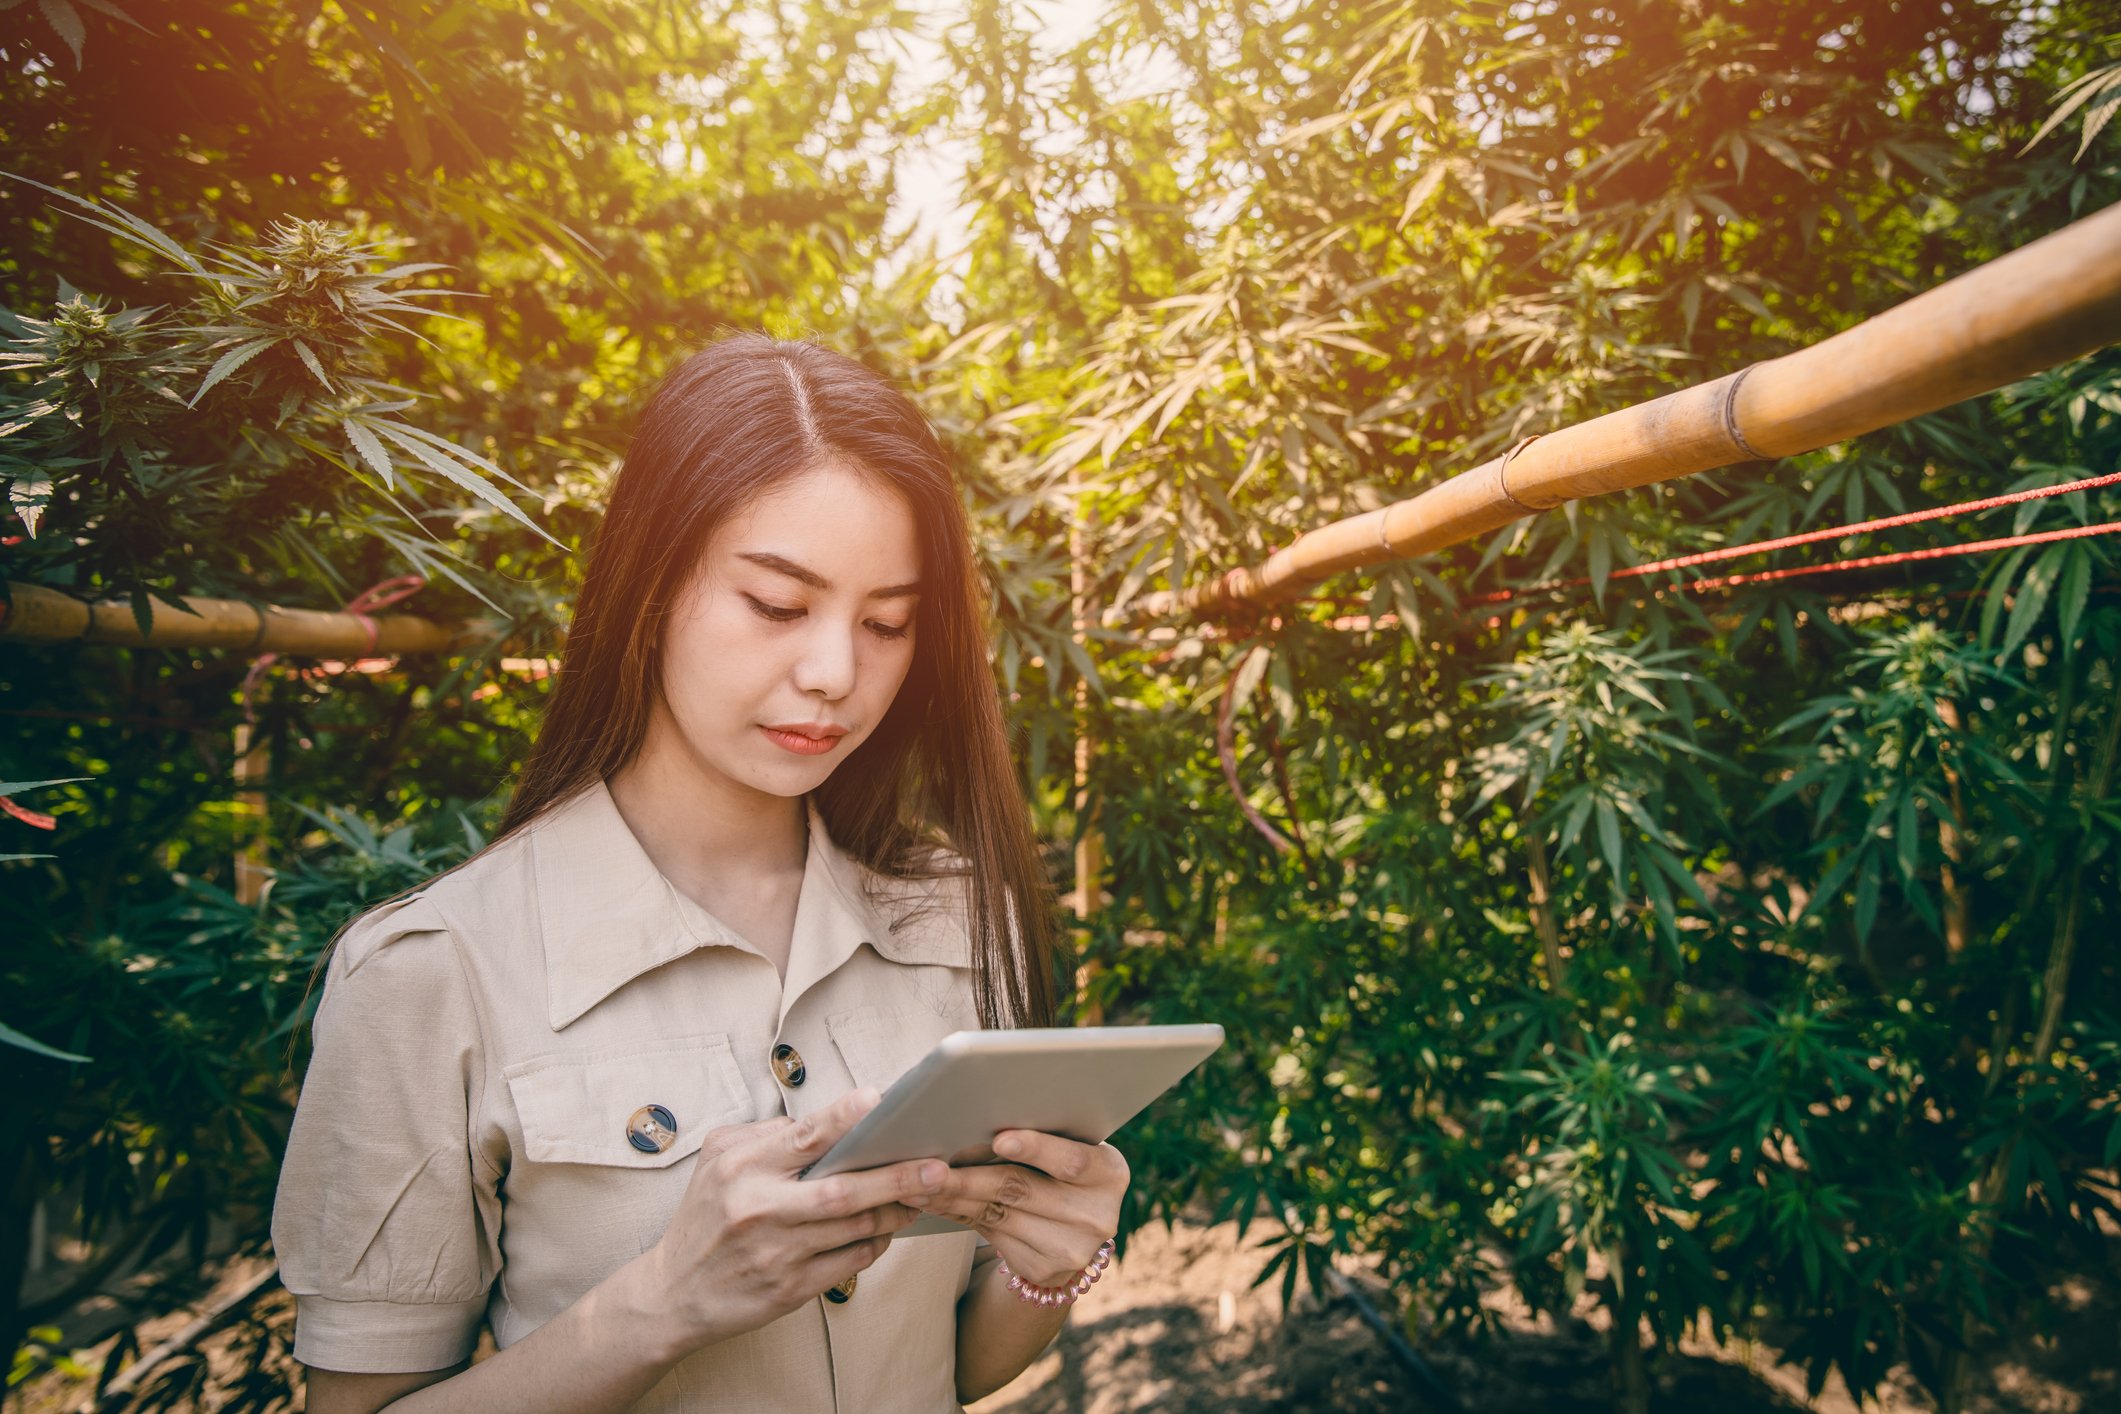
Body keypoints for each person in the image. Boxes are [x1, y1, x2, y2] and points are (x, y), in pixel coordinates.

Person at [270, 332, 1131, 1413]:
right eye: (777, 605)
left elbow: (951, 1370)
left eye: (887, 623)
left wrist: (1047, 1262)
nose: (834, 673)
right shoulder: (433, 973)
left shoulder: (957, 917)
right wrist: (665, 1302)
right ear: (651, 584)